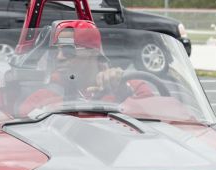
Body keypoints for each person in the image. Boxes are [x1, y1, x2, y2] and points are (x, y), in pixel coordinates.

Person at [18, 20, 154, 117]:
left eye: (67, 50)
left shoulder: (131, 85)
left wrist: (124, 92)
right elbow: (20, 126)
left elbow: (158, 118)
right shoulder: (43, 97)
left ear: (93, 51)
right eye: (56, 51)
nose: (59, 57)